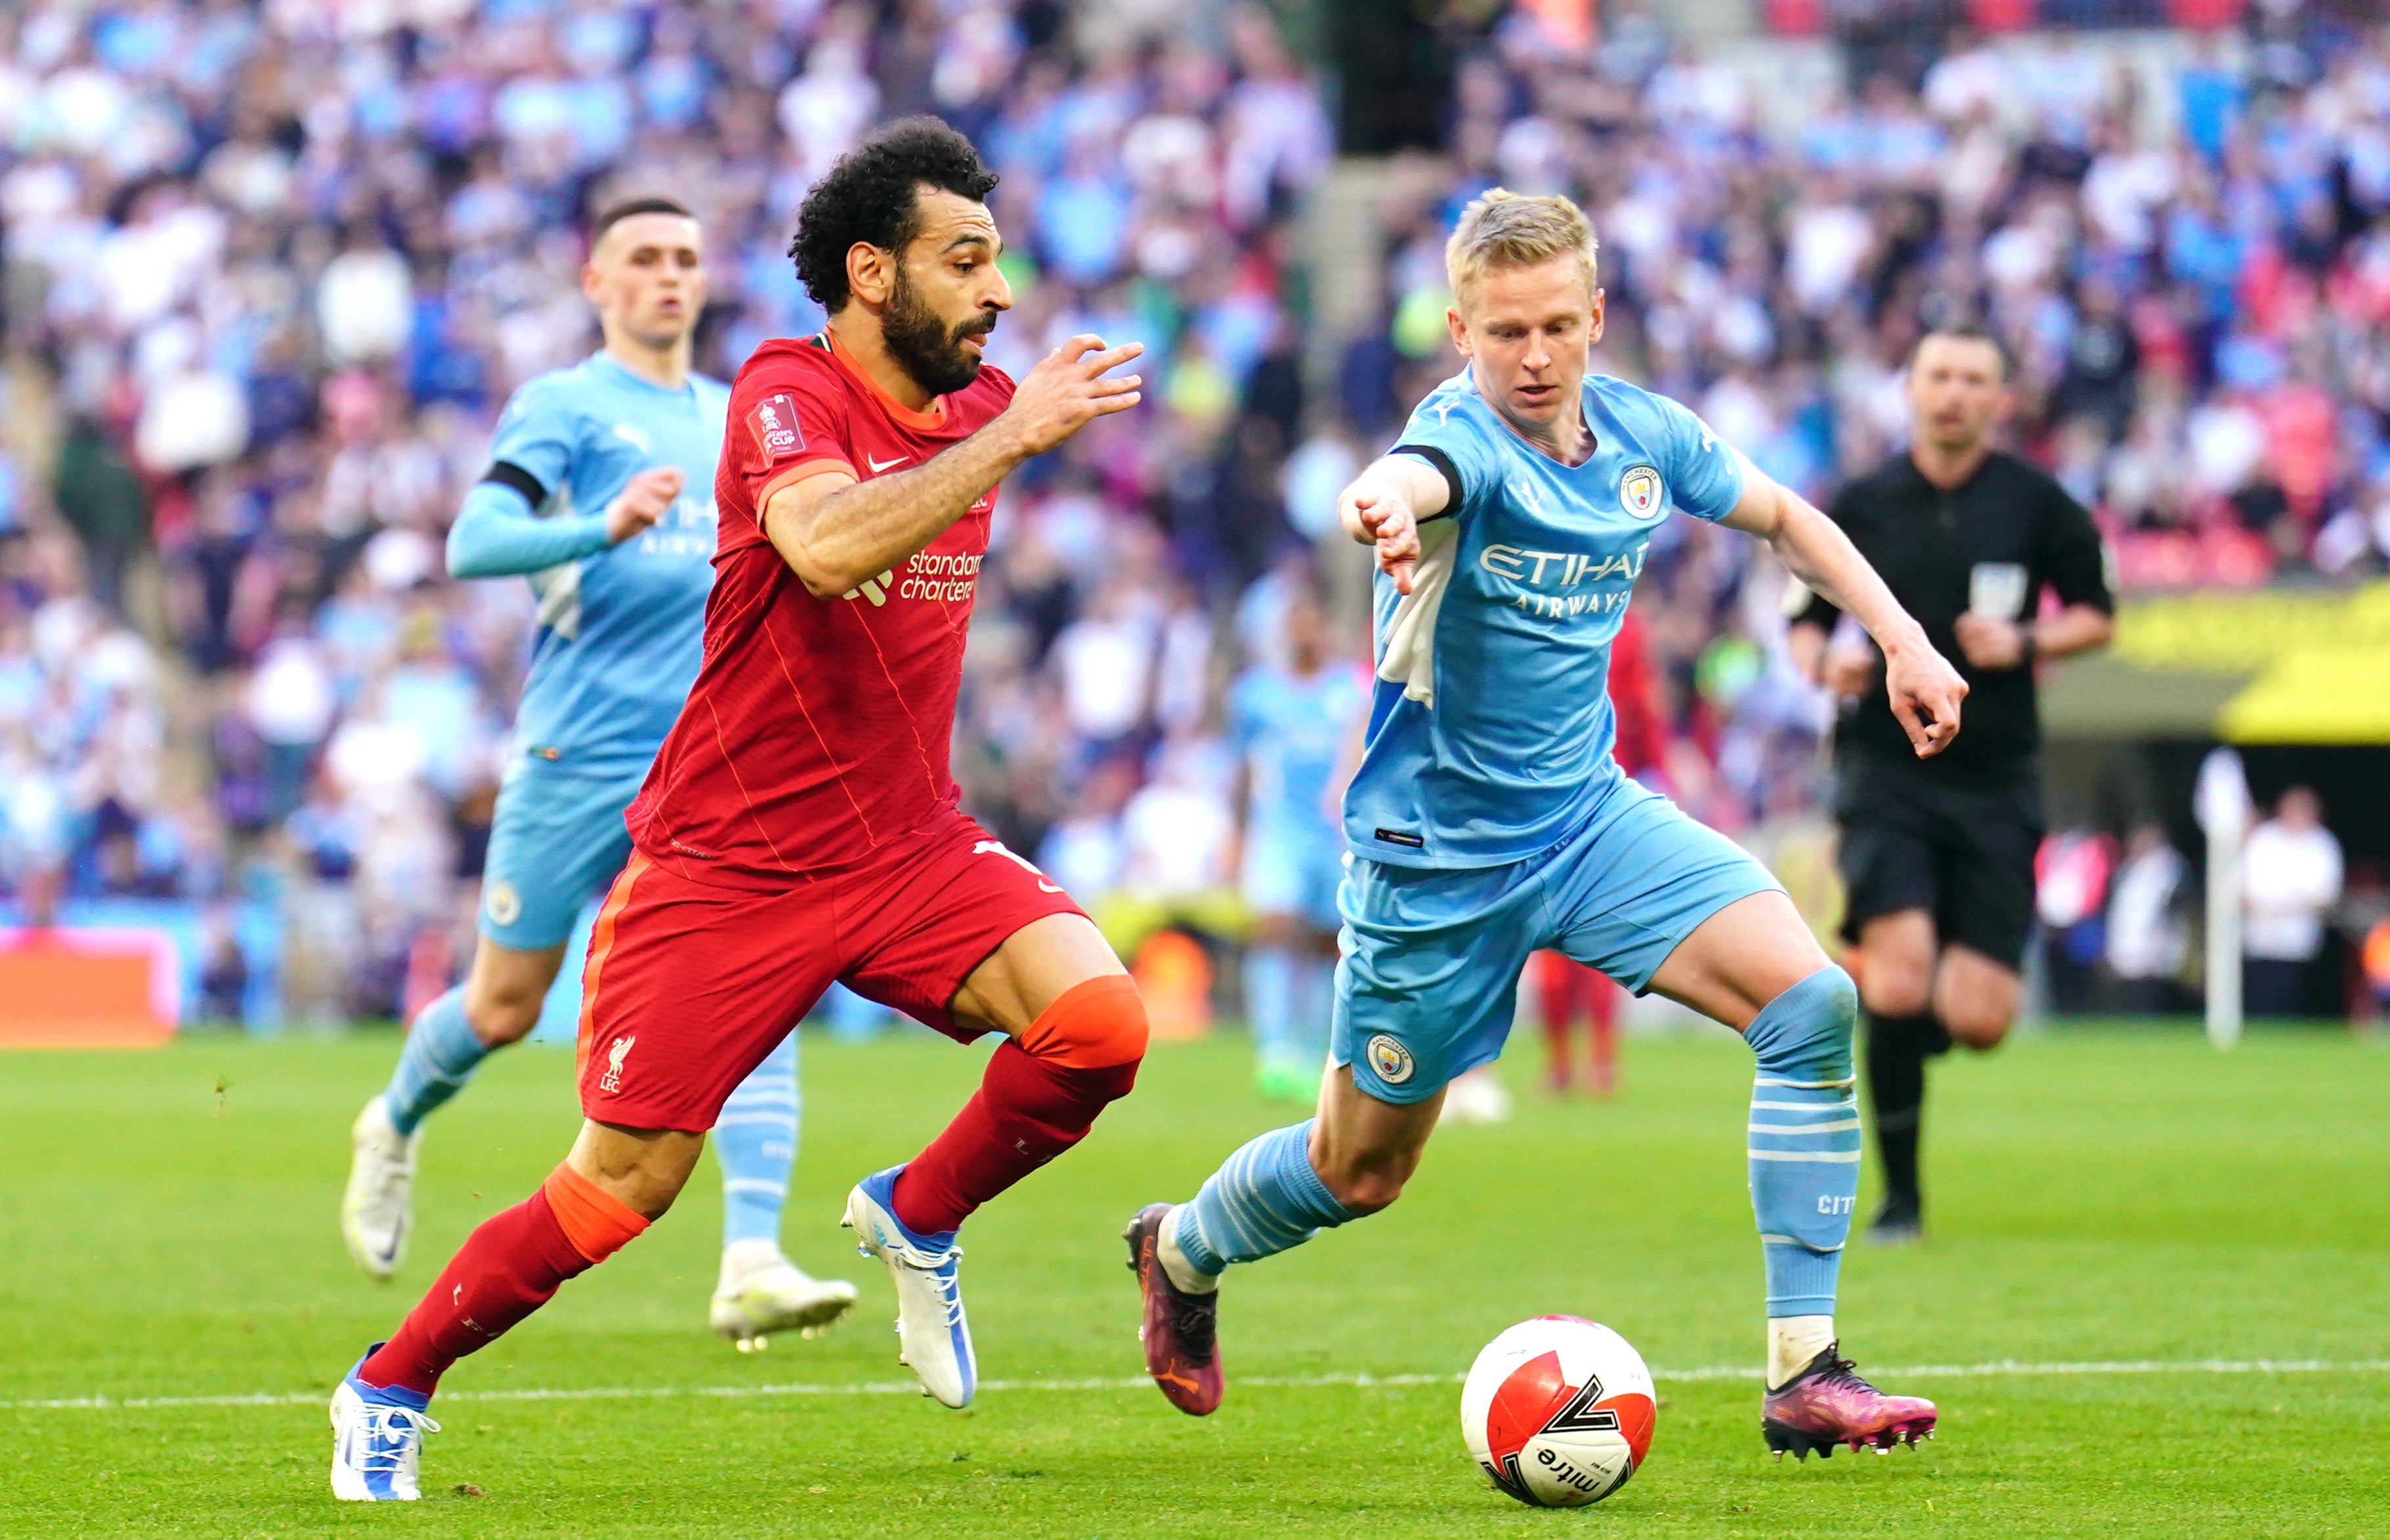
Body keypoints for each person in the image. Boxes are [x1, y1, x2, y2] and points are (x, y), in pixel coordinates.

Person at [328, 119, 1151, 1502]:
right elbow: (824, 548)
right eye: (966, 261)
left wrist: (1000, 424)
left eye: (997, 262)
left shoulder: (977, 397)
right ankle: (387, 1385)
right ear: (870, 273)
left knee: (1100, 1027)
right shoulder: (782, 386)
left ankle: (914, 1213)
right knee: (617, 1192)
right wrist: (1011, 434)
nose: (998, 292)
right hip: (728, 865)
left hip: (905, 842)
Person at [1124, 190, 1967, 1462]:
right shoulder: (1454, 440)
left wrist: (1901, 639)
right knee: (1359, 1170)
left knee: (1809, 1004)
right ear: (1458, 329)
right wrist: (1386, 507)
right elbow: (1403, 476)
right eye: (1503, 332)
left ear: (1596, 318)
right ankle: (1181, 1246)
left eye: (1555, 329)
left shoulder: (1643, 435)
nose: (1531, 357)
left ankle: (1804, 1370)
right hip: (1434, 863)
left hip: (1585, 818)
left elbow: (1785, 518)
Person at [338, 198, 857, 1350]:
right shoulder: (565, 408)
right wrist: (601, 527)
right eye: (645, 259)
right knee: (503, 1006)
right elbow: (472, 544)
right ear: (597, 282)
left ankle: (753, 1257)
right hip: (577, 759)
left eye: (686, 256)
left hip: (708, 775)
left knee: (756, 1001)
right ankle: (394, 1119)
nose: (669, 276)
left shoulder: (742, 419)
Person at [1787, 324, 2115, 1245]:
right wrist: (1829, 669)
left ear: (2001, 400)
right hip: (1887, 771)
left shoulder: (2038, 504)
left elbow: (2098, 613)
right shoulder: (1859, 501)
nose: (1955, 394)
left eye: (1975, 379)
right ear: (1910, 387)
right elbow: (1803, 623)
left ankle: (1894, 1024)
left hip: (1996, 775)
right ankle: (1901, 1201)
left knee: (1978, 1018)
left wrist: (2028, 642)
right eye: (1939, 376)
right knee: (1895, 983)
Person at [1228, 588, 1369, 1102]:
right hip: (1278, 832)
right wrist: (1237, 833)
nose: (1306, 635)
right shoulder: (1257, 694)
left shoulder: (1351, 693)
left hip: (1332, 836)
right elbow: (1242, 767)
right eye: (1297, 625)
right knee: (1273, 928)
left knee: (1322, 943)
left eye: (1314, 625)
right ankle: (1273, 1048)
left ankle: (1309, 1051)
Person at [2241, 786, 2343, 1019]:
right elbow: (2243, 888)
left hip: (2299, 941)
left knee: (2293, 1001)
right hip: (2261, 939)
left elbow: (2326, 895)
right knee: (2262, 1000)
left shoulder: (2322, 844)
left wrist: (2290, 906)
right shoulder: (2263, 839)